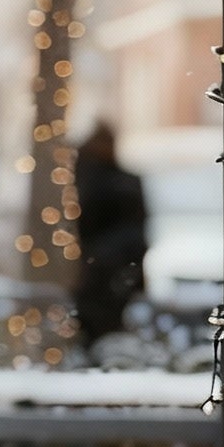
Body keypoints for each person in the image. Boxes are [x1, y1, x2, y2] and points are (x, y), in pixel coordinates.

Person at [72, 121, 149, 344]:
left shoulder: (91, 178)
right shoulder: (124, 182)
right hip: (120, 264)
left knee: (98, 325)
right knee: (111, 324)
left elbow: (87, 222)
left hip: (102, 264)